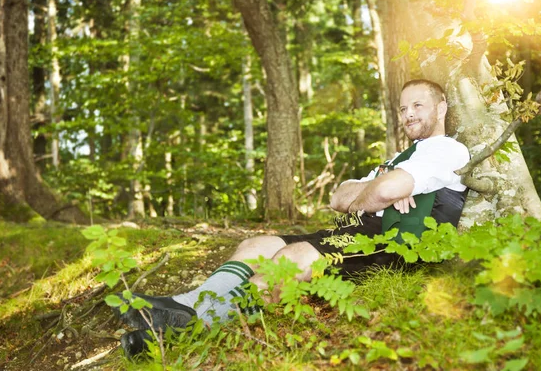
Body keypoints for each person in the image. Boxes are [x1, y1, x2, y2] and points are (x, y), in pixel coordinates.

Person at [116, 79, 470, 357]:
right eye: (403, 107)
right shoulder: (400, 156)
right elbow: (338, 196)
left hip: (390, 244)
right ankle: (188, 304)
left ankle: (192, 329)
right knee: (256, 244)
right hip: (357, 229)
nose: (408, 114)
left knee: (291, 259)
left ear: (441, 108)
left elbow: (376, 192)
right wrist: (383, 188)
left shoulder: (448, 149)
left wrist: (381, 190)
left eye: (417, 105)